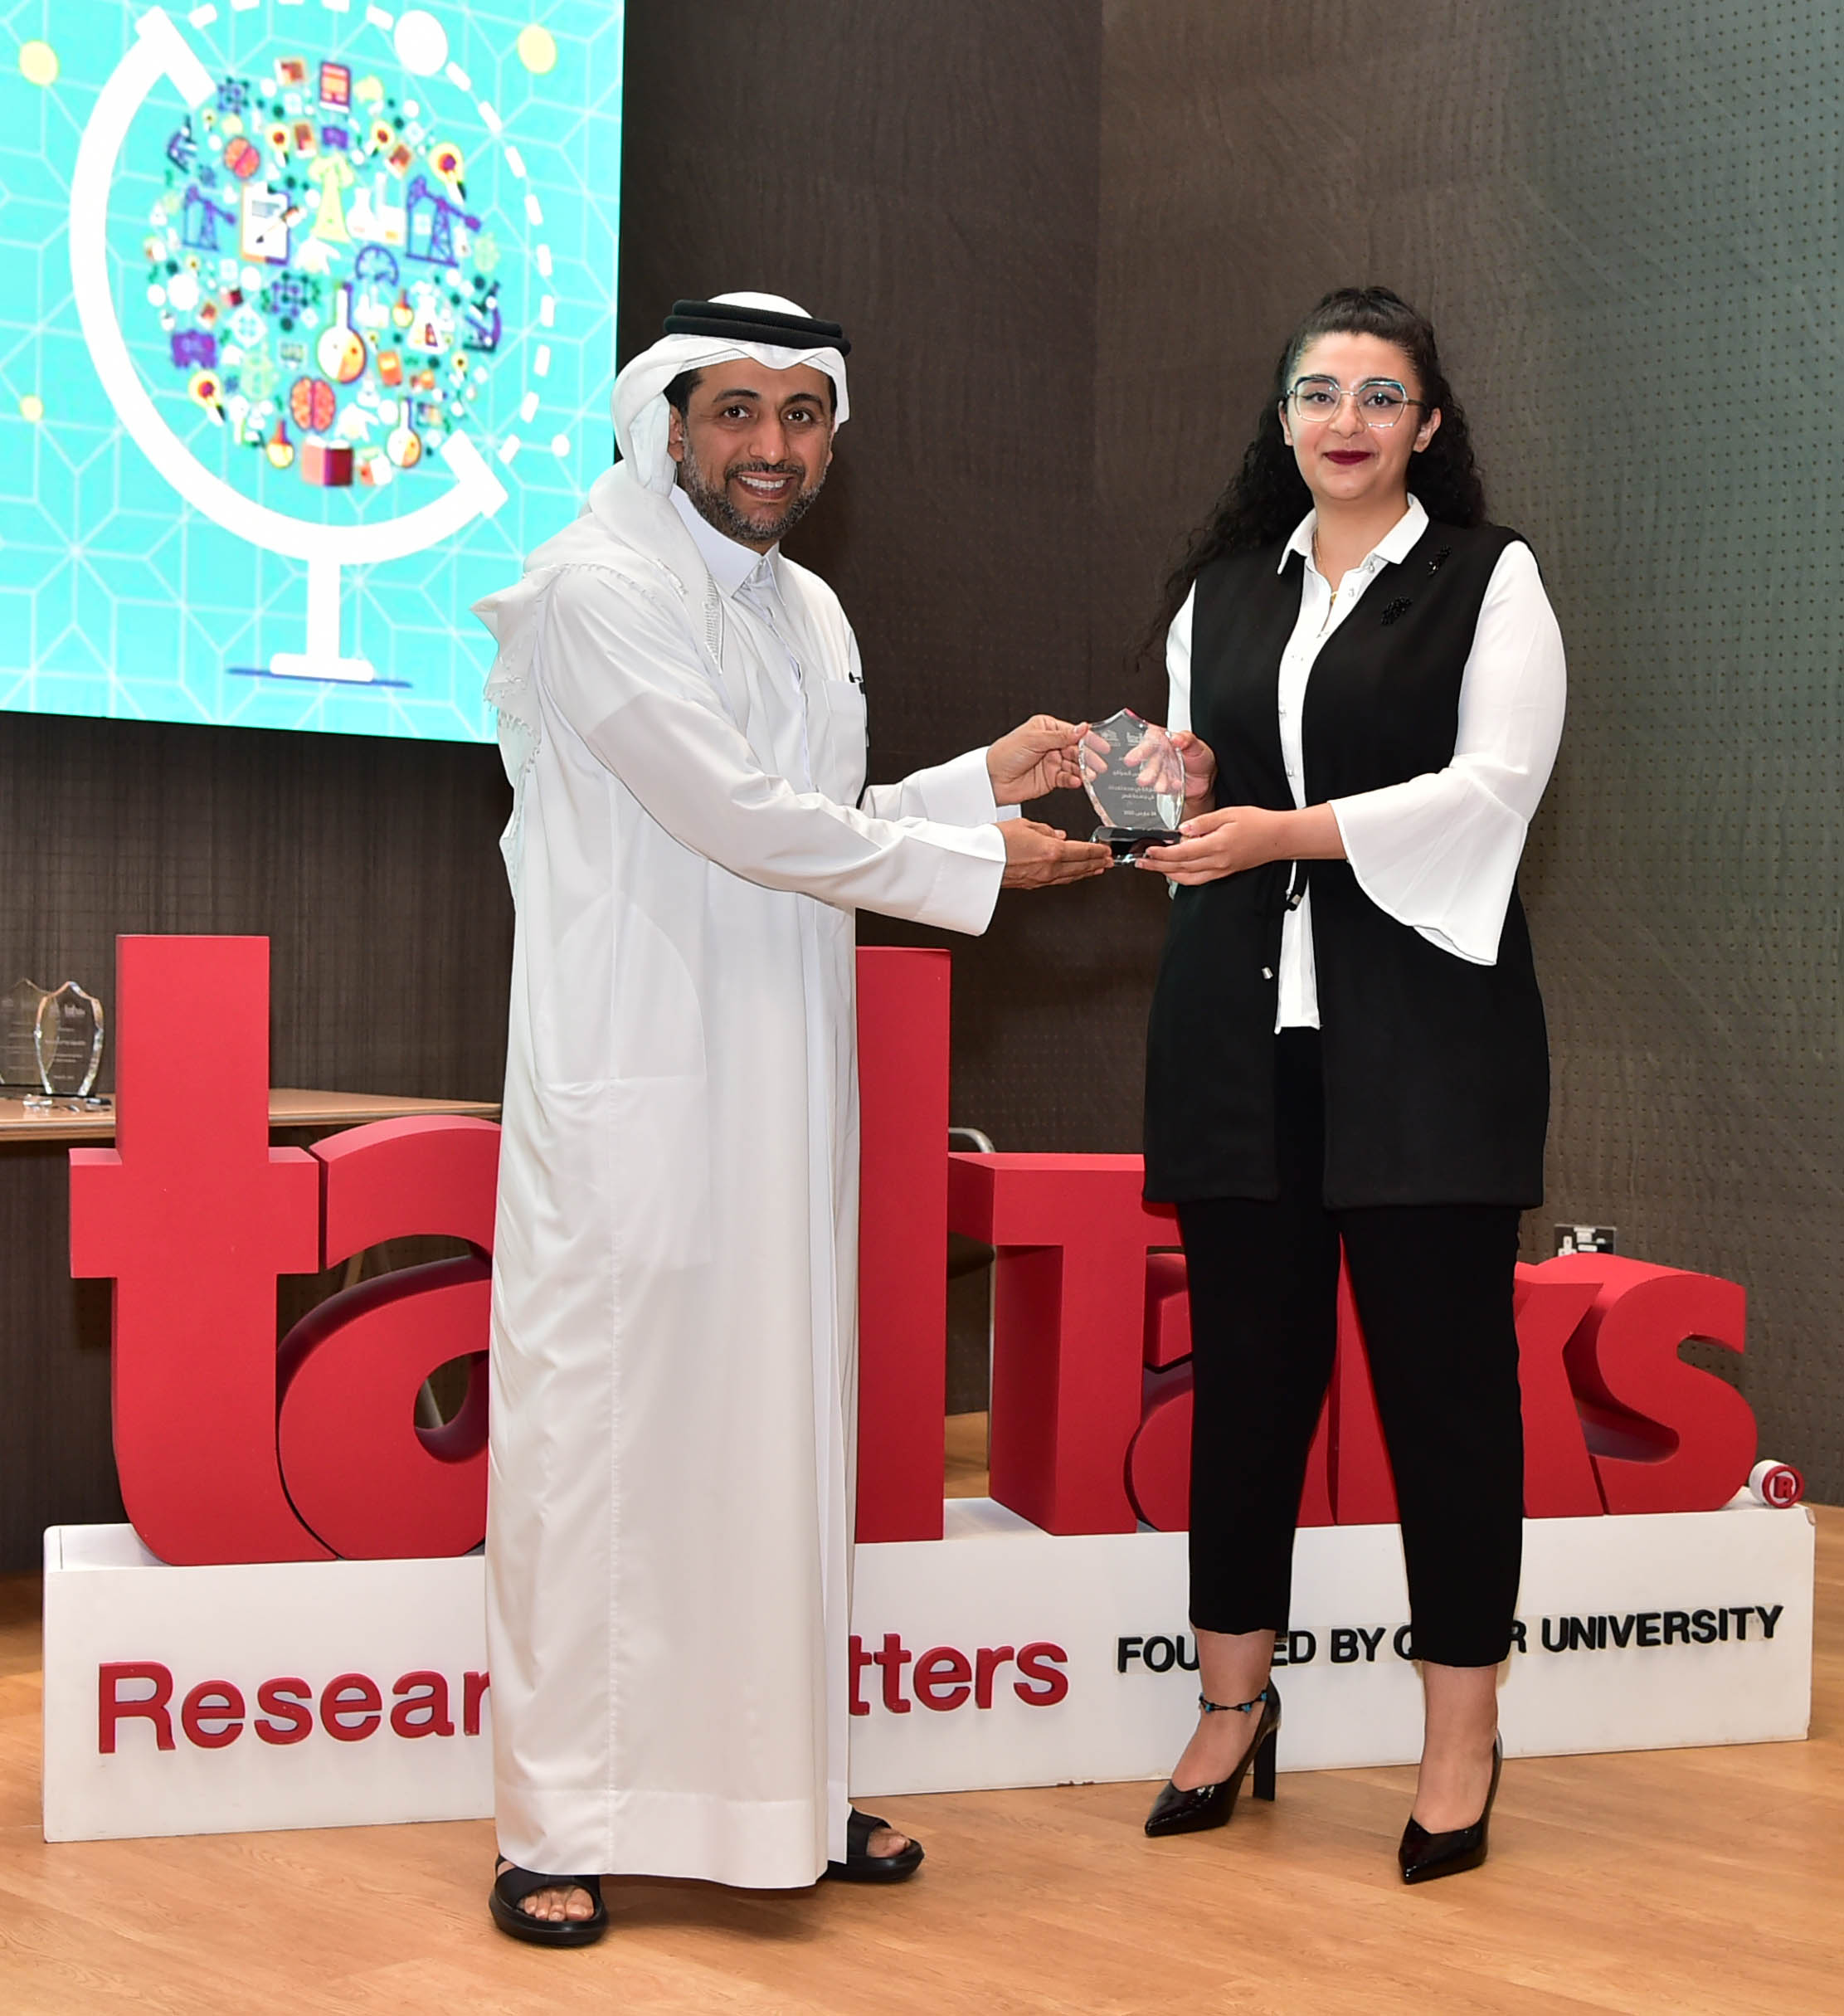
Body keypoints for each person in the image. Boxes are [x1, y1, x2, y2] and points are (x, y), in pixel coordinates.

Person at [473, 292, 1108, 1944]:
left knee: (774, 1452)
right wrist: (978, 865)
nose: (772, 447)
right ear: (668, 426)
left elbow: (821, 817)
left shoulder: (807, 606)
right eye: (737, 413)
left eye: (802, 415)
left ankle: (784, 1800)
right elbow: (736, 817)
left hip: (783, 1091)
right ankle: (555, 1827)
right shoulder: (593, 589)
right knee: (602, 1460)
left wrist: (983, 784)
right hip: (636, 1092)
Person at [1135, 285, 1565, 1882]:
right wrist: (1186, 779)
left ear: (1428, 425)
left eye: (1382, 396)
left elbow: (1493, 788)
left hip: (1428, 1046)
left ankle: (1460, 1738)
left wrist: (1284, 832)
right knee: (1247, 1389)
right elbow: (1211, 782)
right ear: (1283, 416)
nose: (1347, 420)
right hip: (1237, 1040)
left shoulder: (1492, 578)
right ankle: (1231, 1706)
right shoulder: (1220, 592)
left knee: (1446, 1402)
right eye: (1318, 392)